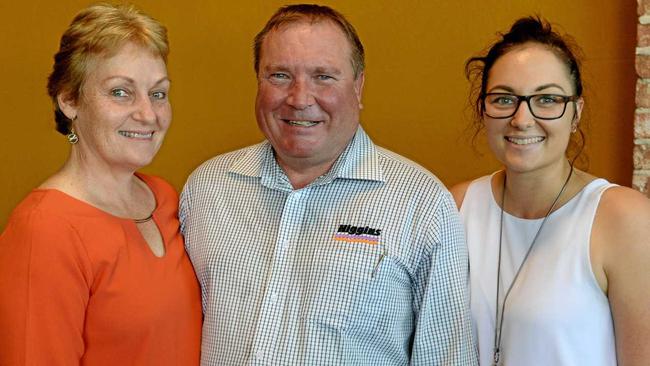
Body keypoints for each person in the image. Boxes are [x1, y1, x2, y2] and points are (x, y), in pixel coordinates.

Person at [180, 4, 477, 365]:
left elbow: (445, 357)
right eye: (279, 76)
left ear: (359, 86)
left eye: (323, 76)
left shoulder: (422, 203)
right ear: (257, 80)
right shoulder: (207, 189)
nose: (300, 98)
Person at [0, 4, 202, 365]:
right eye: (120, 92)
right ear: (69, 100)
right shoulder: (45, 229)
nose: (147, 114)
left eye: (158, 93)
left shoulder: (164, 197)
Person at [450, 16, 650, 366]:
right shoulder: (457, 206)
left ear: (575, 113)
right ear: (483, 109)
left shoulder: (624, 219)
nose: (522, 119)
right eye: (503, 99)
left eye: (546, 99)